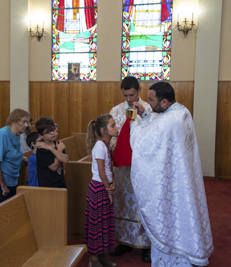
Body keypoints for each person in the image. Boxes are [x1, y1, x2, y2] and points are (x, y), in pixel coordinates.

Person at [131, 82, 214, 266]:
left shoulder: (170, 120)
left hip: (170, 186)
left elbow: (144, 143)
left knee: (170, 221)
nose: (149, 104)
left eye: (151, 101)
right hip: (181, 178)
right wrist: (145, 114)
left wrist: (135, 124)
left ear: (165, 101)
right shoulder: (181, 112)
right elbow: (156, 124)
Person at [109, 77, 152, 261]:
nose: (128, 98)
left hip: (142, 168)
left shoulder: (149, 110)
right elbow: (110, 136)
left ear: (139, 90)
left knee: (141, 206)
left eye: (132, 94)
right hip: (122, 171)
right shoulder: (116, 111)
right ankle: (124, 243)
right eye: (125, 95)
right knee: (122, 205)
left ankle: (145, 246)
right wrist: (114, 144)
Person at [84, 114, 118, 267]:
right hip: (99, 188)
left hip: (105, 186)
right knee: (96, 225)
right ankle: (93, 259)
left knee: (105, 223)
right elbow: (101, 172)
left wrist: (114, 182)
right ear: (104, 130)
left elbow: (109, 168)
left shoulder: (107, 144)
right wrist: (108, 190)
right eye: (113, 126)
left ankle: (102, 254)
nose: (116, 128)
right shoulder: (99, 146)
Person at [0, 108, 30, 207]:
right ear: (13, 122)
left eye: (27, 122)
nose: (26, 125)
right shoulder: (2, 135)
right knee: (0, 210)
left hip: (11, 177)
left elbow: (10, 152)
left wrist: (21, 158)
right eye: (23, 122)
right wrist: (3, 185)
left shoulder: (17, 134)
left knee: (10, 208)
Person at [35, 117, 68, 188]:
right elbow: (54, 167)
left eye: (53, 129)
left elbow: (65, 160)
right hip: (48, 186)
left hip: (60, 183)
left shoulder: (58, 144)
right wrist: (58, 151)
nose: (52, 133)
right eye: (48, 132)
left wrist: (51, 148)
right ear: (41, 135)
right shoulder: (41, 149)